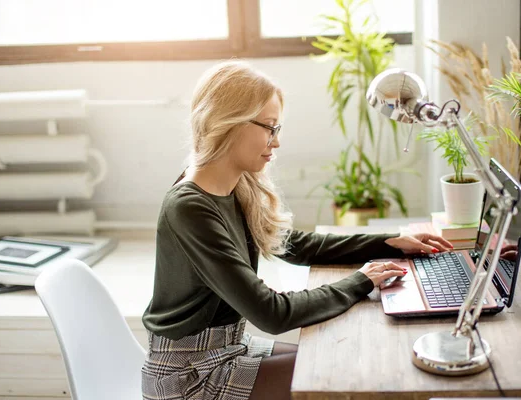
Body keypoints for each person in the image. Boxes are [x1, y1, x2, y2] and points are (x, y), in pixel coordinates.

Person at [141, 60, 453, 400]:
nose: (276, 142)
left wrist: (389, 242)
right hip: (189, 376)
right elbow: (271, 313)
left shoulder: (234, 185)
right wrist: (361, 281)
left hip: (231, 348)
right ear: (229, 122)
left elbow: (297, 245)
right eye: (270, 128)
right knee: (342, 374)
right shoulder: (191, 207)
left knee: (336, 357)